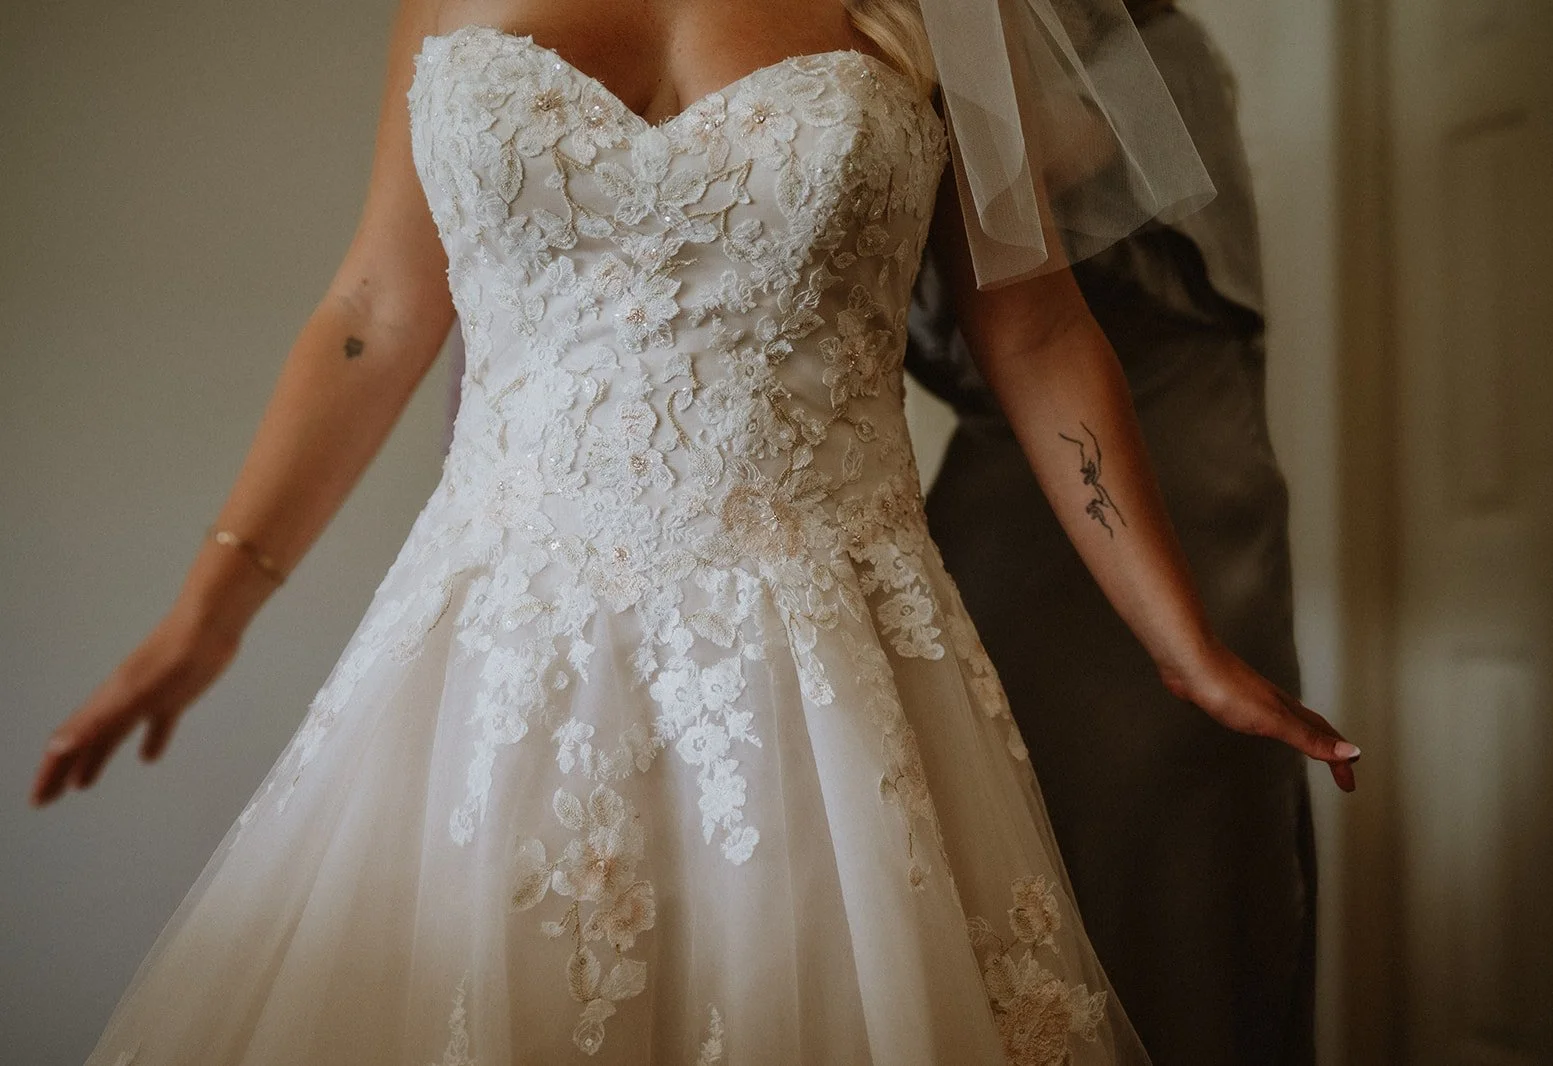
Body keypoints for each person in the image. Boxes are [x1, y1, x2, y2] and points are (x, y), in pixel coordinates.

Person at [30, 1, 1357, 1062]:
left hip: (826, 668)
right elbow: (374, 309)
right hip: (496, 657)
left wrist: (1183, 641)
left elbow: (1040, 327)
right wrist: (207, 613)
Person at [906, 4, 1318, 1062]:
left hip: (1171, 462)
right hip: (998, 478)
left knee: (1170, 865)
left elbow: (1009, 175)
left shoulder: (1152, 54)